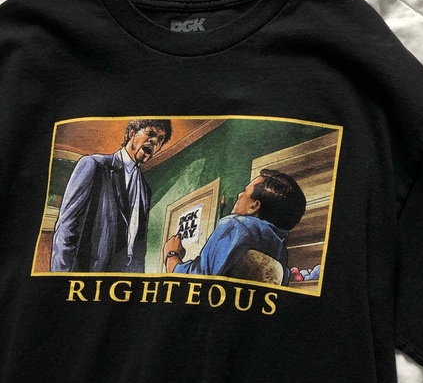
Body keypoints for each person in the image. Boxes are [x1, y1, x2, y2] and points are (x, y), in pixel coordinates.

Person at [51, 119, 172, 272]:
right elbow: (66, 226)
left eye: (160, 139)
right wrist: (61, 277)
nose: (154, 142)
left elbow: (138, 244)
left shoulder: (145, 189)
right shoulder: (94, 165)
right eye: (150, 134)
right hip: (87, 272)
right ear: (132, 133)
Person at [164, 169, 306, 284]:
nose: (239, 194)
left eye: (245, 191)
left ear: (254, 206)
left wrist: (171, 255)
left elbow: (195, 280)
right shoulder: (280, 251)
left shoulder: (235, 225)